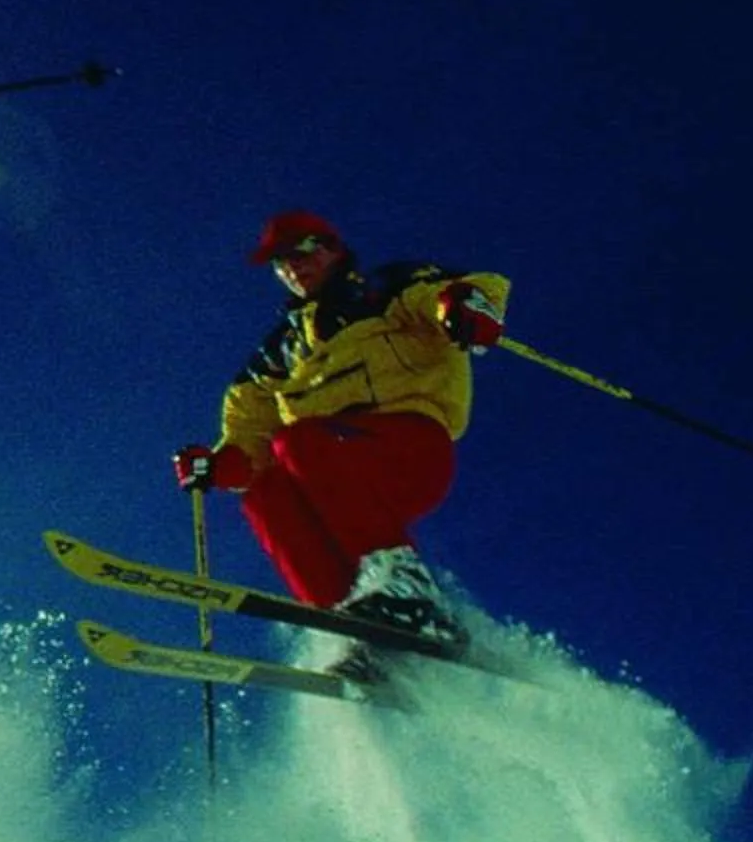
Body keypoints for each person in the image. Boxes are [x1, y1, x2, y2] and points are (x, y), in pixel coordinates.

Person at [173, 208, 510, 655]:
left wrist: (465, 306)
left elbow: (453, 292)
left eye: (302, 251)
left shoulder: (382, 290)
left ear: (332, 248)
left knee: (297, 441)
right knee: (264, 491)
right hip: (332, 476)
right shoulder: (277, 354)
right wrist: (217, 465)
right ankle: (351, 622)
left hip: (409, 449)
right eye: (280, 261)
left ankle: (406, 583)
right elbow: (247, 435)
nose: (293, 267)